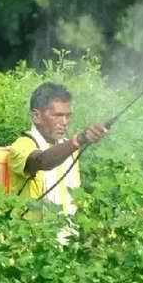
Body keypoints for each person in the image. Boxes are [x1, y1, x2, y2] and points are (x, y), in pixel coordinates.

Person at [8, 82, 107, 218]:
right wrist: (78, 140)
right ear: (36, 116)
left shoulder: (70, 148)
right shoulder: (22, 145)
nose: (65, 122)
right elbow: (42, 160)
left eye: (68, 116)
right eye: (58, 115)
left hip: (67, 235)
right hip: (31, 236)